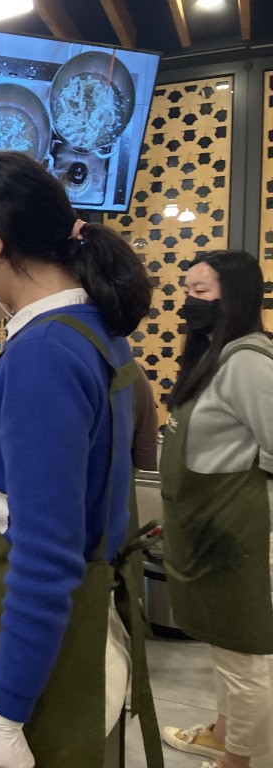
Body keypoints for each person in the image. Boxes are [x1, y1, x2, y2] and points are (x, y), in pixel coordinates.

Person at [0, 151, 162, 768]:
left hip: (21, 649)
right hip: (70, 629)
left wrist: (4, 716)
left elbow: (46, 556)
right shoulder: (89, 330)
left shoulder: (44, 354)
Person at [158, 250, 273, 768]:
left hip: (241, 537)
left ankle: (238, 761)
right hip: (210, 533)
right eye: (187, 292)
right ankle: (225, 735)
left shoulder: (249, 362)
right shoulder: (214, 358)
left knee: (246, 659)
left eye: (200, 293)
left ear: (236, 296)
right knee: (225, 651)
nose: (188, 304)